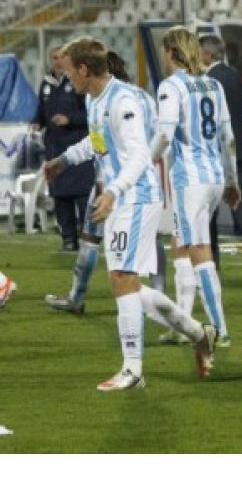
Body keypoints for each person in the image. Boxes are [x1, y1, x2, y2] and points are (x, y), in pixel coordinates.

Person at [44, 37, 216, 391]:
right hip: (121, 198)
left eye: (69, 69)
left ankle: (133, 369)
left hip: (135, 196)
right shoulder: (95, 99)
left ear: (84, 70)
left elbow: (140, 156)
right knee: (127, 283)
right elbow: (97, 141)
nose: (66, 75)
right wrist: (64, 160)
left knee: (122, 278)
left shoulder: (123, 102)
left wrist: (112, 192)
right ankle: (199, 333)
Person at [44, 51, 167, 314]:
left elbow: (102, 143)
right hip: (139, 182)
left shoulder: (110, 100)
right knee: (149, 240)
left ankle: (77, 297)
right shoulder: (143, 98)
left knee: (91, 240)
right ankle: (160, 295)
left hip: (115, 183)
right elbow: (160, 136)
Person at [151, 27, 241, 347]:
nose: (163, 57)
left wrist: (143, 165)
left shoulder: (171, 86)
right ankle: (183, 325)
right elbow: (227, 137)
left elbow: (165, 135)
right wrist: (232, 180)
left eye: (165, 51)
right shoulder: (213, 84)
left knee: (199, 250)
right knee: (181, 244)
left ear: (171, 53)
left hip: (190, 179)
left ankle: (220, 330)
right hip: (213, 176)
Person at [200, 34, 242, 272]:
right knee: (239, 200)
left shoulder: (207, 80)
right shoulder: (236, 75)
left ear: (208, 54)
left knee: (209, 206)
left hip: (216, 148)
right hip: (240, 146)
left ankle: (212, 260)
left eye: (199, 52)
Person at [31, 45, 94, 251]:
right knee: (60, 197)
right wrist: (36, 122)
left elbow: (90, 114)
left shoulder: (79, 82)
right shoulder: (46, 84)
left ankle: (87, 238)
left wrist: (70, 119)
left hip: (77, 149)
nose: (57, 62)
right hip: (54, 148)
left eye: (61, 57)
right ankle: (68, 239)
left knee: (83, 195)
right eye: (54, 58)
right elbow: (41, 111)